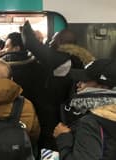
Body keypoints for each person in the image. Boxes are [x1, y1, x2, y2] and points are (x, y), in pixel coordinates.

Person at [21, 21, 95, 150]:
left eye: (53, 39)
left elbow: (30, 43)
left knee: (49, 145)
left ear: (60, 42)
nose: (49, 42)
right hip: (68, 110)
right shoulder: (79, 58)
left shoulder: (59, 58)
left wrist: (26, 25)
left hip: (52, 111)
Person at [53, 58, 116, 160]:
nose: (78, 84)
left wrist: (63, 138)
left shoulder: (91, 122)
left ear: (103, 86)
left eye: (84, 81)